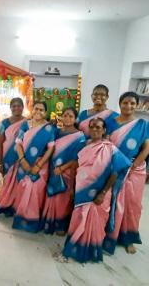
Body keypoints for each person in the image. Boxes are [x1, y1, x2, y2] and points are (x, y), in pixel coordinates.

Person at [63, 118, 131, 263]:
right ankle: (74, 247)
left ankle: (91, 250)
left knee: (96, 221)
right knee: (79, 218)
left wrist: (103, 193)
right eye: (92, 126)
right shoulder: (83, 145)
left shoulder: (110, 148)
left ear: (104, 130)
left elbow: (115, 172)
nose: (94, 129)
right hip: (81, 189)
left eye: (98, 127)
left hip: (100, 192)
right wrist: (73, 187)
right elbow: (76, 165)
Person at [103, 92, 149, 255]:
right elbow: (105, 145)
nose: (128, 106)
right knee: (111, 201)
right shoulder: (110, 122)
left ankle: (128, 238)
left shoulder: (142, 124)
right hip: (114, 167)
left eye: (132, 103)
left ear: (136, 105)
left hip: (134, 170)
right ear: (120, 103)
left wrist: (133, 166)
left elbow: (146, 148)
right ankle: (108, 234)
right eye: (125, 103)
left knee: (132, 205)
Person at [41, 107, 86, 235]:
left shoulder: (80, 136)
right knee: (52, 196)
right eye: (65, 115)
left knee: (64, 198)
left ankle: (61, 225)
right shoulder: (56, 132)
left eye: (71, 116)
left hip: (67, 171)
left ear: (75, 119)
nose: (67, 118)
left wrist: (62, 168)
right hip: (52, 168)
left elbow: (78, 157)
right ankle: (49, 222)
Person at [12, 101, 55, 233]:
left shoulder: (49, 128)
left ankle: (32, 221)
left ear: (45, 113)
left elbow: (51, 148)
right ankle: (21, 218)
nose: (38, 112)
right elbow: (18, 143)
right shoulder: (26, 124)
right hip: (24, 162)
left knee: (36, 191)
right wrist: (23, 160)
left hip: (40, 165)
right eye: (36, 109)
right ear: (32, 110)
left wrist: (39, 165)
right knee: (23, 189)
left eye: (42, 110)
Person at [0, 97, 26, 217]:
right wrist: (0, 163)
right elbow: (0, 144)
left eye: (19, 105)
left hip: (23, 158)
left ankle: (17, 207)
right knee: (8, 183)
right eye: (14, 106)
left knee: (19, 183)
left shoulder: (28, 122)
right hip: (7, 158)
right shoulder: (4, 123)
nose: (17, 108)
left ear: (23, 107)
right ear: (10, 108)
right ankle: (6, 205)